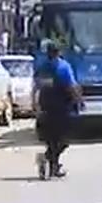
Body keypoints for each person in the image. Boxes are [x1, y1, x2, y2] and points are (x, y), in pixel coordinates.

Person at [33, 41, 79, 179]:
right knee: (64, 139)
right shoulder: (63, 67)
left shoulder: (42, 67)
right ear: (59, 53)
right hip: (61, 107)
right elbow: (72, 87)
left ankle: (52, 166)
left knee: (51, 139)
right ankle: (48, 159)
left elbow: (36, 87)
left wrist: (35, 105)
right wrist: (79, 101)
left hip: (45, 106)